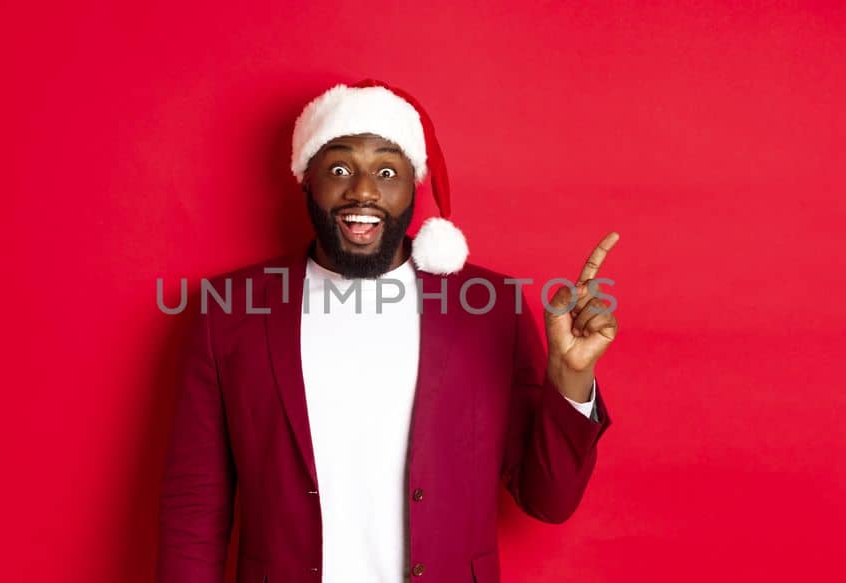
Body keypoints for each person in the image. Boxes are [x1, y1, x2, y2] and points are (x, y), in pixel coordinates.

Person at [157, 79, 620, 582]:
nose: (362, 190)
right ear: (305, 179)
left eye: (386, 170)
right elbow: (194, 506)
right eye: (339, 168)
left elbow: (547, 499)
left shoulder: (489, 308)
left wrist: (571, 376)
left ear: (412, 185)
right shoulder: (229, 312)